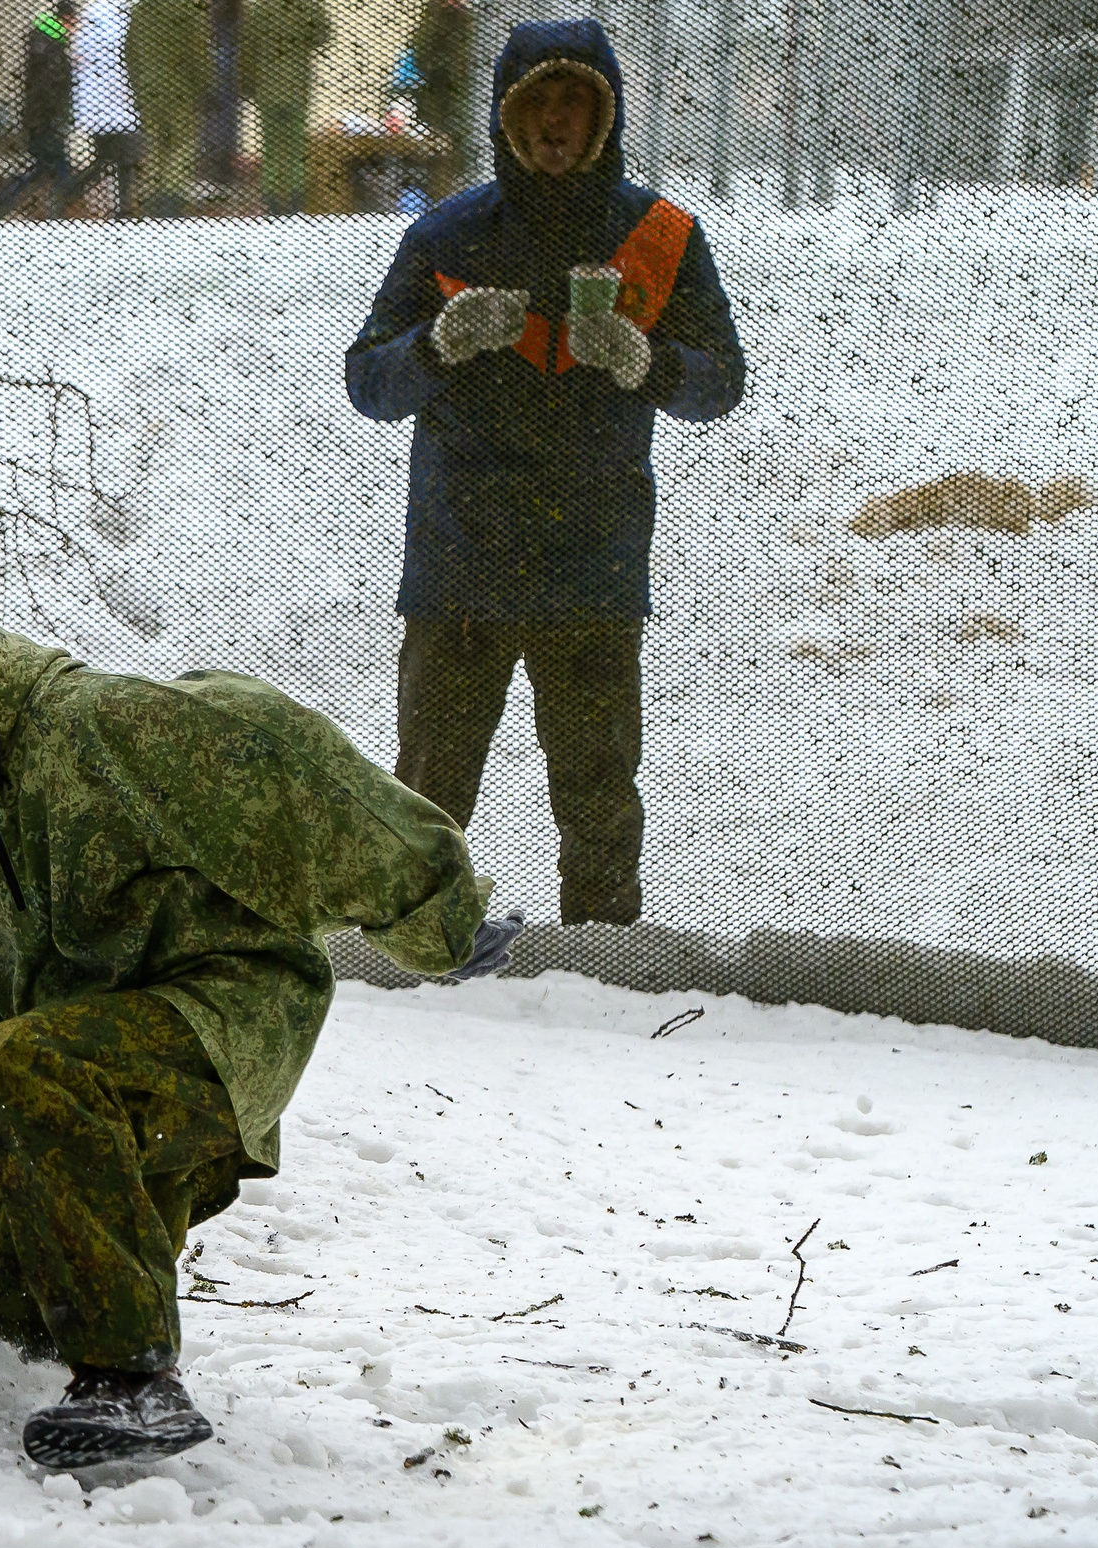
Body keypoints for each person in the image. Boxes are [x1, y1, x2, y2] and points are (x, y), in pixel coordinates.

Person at [0, 565, 521, 1468]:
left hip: (222, 1014)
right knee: (19, 1339)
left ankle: (133, 1385)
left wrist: (444, 920)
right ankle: (83, 1480)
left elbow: (290, 766)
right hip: (77, 1072)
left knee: (25, 1066)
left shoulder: (105, 726)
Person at [345, 19, 745, 926]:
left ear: (607, 118)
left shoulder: (662, 236)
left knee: (600, 798)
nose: (555, 126)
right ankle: (411, 958)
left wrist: (651, 363)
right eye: (538, 106)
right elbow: (369, 380)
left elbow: (722, 379)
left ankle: (601, 968)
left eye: (576, 106)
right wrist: (439, 344)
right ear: (504, 117)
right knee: (428, 799)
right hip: (462, 566)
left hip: (592, 568)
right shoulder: (446, 235)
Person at [237, 0, 330, 217]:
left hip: (267, 87)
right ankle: (295, 200)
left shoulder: (260, 9)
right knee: (295, 146)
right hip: (297, 85)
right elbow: (324, 35)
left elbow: (247, 51)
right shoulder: (306, 7)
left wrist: (248, 86)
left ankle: (273, 202)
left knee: (271, 147)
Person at [0, 1, 80, 220]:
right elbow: (51, 88)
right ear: (67, 20)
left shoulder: (42, 41)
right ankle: (61, 213)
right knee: (58, 168)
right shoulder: (53, 47)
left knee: (43, 168)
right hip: (47, 120)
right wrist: (57, 116)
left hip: (37, 118)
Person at [125, 0, 207, 214]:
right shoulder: (186, 8)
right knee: (184, 141)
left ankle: (150, 197)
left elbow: (129, 53)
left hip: (148, 87)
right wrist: (203, 86)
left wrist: (139, 84)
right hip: (179, 86)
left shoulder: (141, 10)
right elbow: (197, 53)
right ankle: (171, 195)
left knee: (153, 142)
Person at [72, 0, 142, 216]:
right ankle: (70, 193)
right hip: (116, 103)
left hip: (102, 105)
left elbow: (80, 55)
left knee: (111, 159)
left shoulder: (93, 14)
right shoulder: (119, 14)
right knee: (118, 159)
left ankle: (121, 207)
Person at [410, 0, 474, 178]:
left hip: (474, 99)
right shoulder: (435, 14)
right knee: (447, 165)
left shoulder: (482, 16)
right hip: (442, 103)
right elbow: (420, 56)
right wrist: (442, 14)